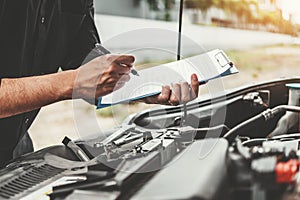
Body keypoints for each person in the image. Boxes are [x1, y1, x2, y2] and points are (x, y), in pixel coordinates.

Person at [0, 0, 199, 167]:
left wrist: (145, 87)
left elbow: (91, 68)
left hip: (17, 150)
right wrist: (70, 82)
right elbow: (80, 78)